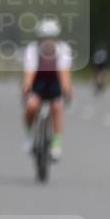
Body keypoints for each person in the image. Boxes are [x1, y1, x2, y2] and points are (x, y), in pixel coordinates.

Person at [21, 18, 72, 161]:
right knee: (31, 107)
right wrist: (26, 90)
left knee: (56, 107)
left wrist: (67, 91)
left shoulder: (64, 49)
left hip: (54, 81)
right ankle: (29, 135)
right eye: (45, 38)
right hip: (38, 81)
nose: (48, 41)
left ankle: (56, 143)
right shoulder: (32, 50)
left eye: (52, 38)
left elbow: (64, 74)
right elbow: (29, 75)